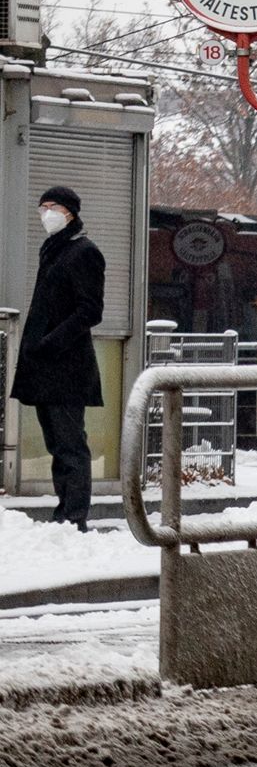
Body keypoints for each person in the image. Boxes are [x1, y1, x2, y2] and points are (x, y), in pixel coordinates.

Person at [11, 184, 103, 528]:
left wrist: (51, 342)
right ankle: (64, 511)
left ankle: (74, 516)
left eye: (52, 207)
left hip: (67, 366)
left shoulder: (83, 252)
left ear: (70, 212)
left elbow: (90, 310)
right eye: (42, 207)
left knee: (70, 444)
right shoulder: (54, 249)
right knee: (57, 443)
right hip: (45, 366)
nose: (46, 214)